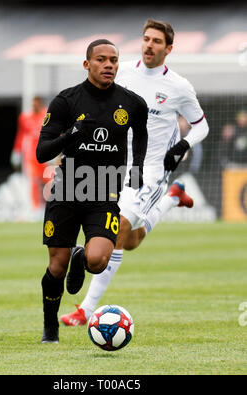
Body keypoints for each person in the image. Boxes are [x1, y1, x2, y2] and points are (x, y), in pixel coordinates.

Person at [61, 19, 209, 327]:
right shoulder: (122, 72)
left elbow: (202, 125)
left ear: (168, 49)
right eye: (146, 39)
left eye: (156, 41)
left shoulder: (179, 87)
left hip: (150, 170)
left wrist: (181, 145)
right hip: (113, 163)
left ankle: (86, 310)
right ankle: (173, 199)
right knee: (130, 241)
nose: (149, 45)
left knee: (119, 230)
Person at [36, 39, 148, 343]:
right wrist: (71, 134)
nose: (109, 64)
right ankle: (50, 327)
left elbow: (141, 136)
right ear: (87, 64)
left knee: (99, 260)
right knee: (56, 267)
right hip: (67, 190)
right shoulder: (66, 101)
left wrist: (136, 168)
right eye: (101, 59)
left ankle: (82, 256)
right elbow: (41, 152)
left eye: (113, 59)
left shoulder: (133, 103)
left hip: (104, 193)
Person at [11, 96, 52, 218]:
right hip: (31, 157)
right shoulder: (25, 117)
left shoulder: (48, 116)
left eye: (37, 104)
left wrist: (55, 151)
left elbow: (56, 132)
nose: (35, 106)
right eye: (33, 104)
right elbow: (21, 135)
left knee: (49, 181)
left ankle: (52, 207)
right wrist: (17, 151)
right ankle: (35, 209)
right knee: (33, 182)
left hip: (46, 156)